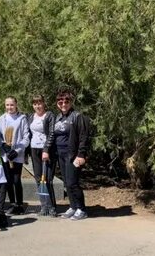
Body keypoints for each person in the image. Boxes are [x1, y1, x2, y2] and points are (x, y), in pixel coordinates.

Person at [43, 90, 90, 221]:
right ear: (57, 103)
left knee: (73, 182)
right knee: (67, 183)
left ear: (71, 102)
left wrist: (81, 154)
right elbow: (52, 135)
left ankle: (82, 209)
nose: (63, 104)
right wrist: (47, 149)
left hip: (73, 155)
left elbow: (83, 137)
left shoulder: (77, 116)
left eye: (66, 101)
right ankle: (73, 206)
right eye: (60, 102)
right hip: (60, 154)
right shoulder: (58, 118)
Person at [0, 96, 29, 215]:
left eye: (12, 105)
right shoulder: (2, 118)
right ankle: (12, 203)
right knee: (8, 180)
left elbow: (26, 137)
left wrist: (17, 151)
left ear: (16, 105)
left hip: (17, 154)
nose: (9, 107)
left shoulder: (22, 118)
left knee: (16, 180)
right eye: (7, 105)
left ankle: (20, 204)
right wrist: (2, 145)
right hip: (6, 154)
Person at [28, 94, 57, 216]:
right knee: (39, 179)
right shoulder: (30, 117)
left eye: (39, 103)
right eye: (35, 104)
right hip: (34, 149)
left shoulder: (49, 115)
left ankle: (52, 207)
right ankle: (44, 206)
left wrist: (46, 149)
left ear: (44, 103)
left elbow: (51, 133)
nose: (37, 106)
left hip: (47, 150)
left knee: (48, 179)